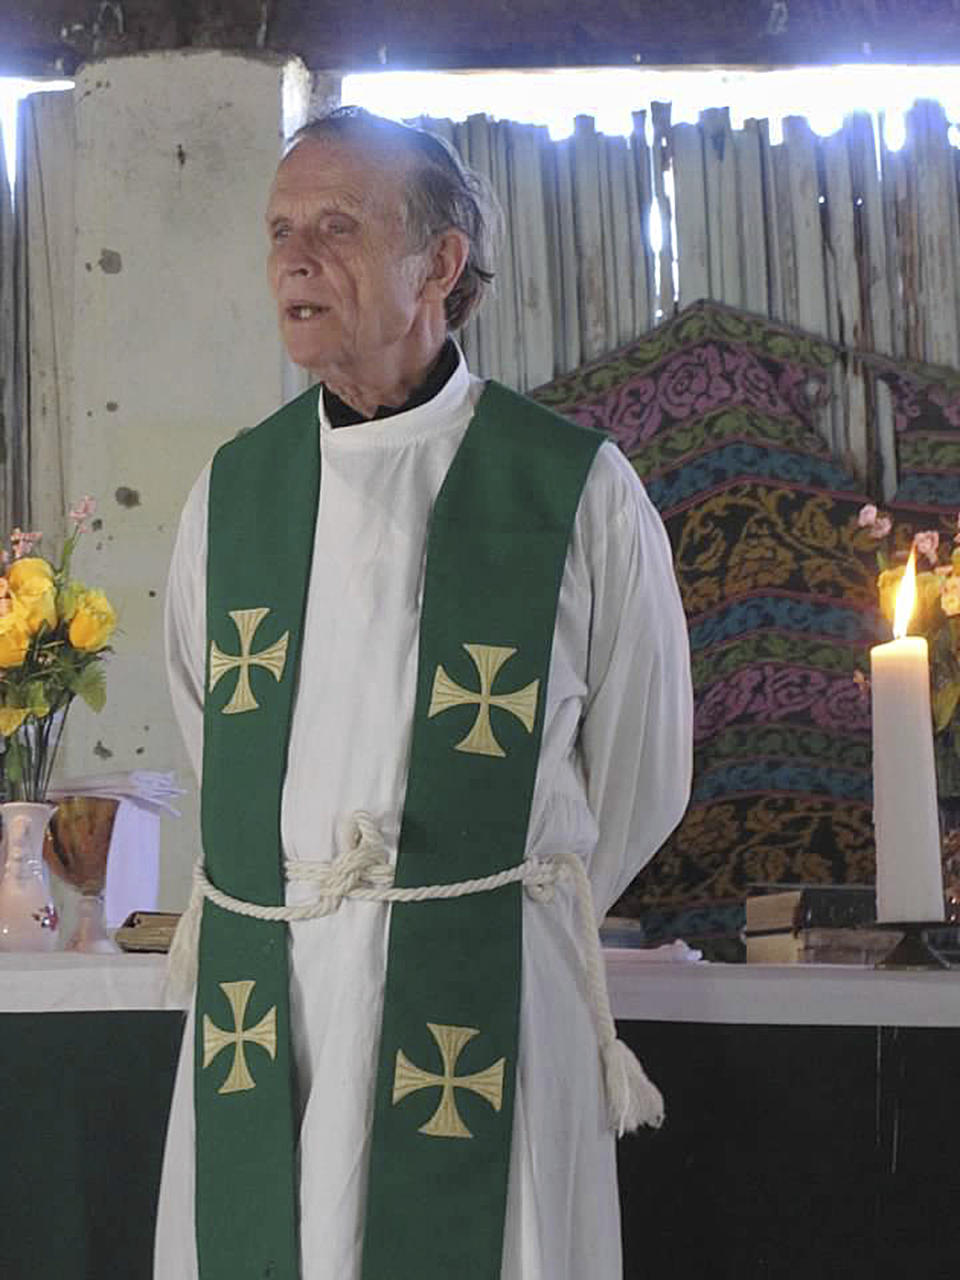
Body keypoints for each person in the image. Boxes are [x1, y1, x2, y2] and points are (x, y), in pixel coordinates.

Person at [156, 106, 692, 1280]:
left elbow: (643, 773)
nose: (295, 259)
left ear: (439, 264)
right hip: (275, 998)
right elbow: (219, 746)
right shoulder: (234, 496)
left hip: (484, 995)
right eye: (281, 230)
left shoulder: (575, 492)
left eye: (337, 227)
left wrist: (465, 907)